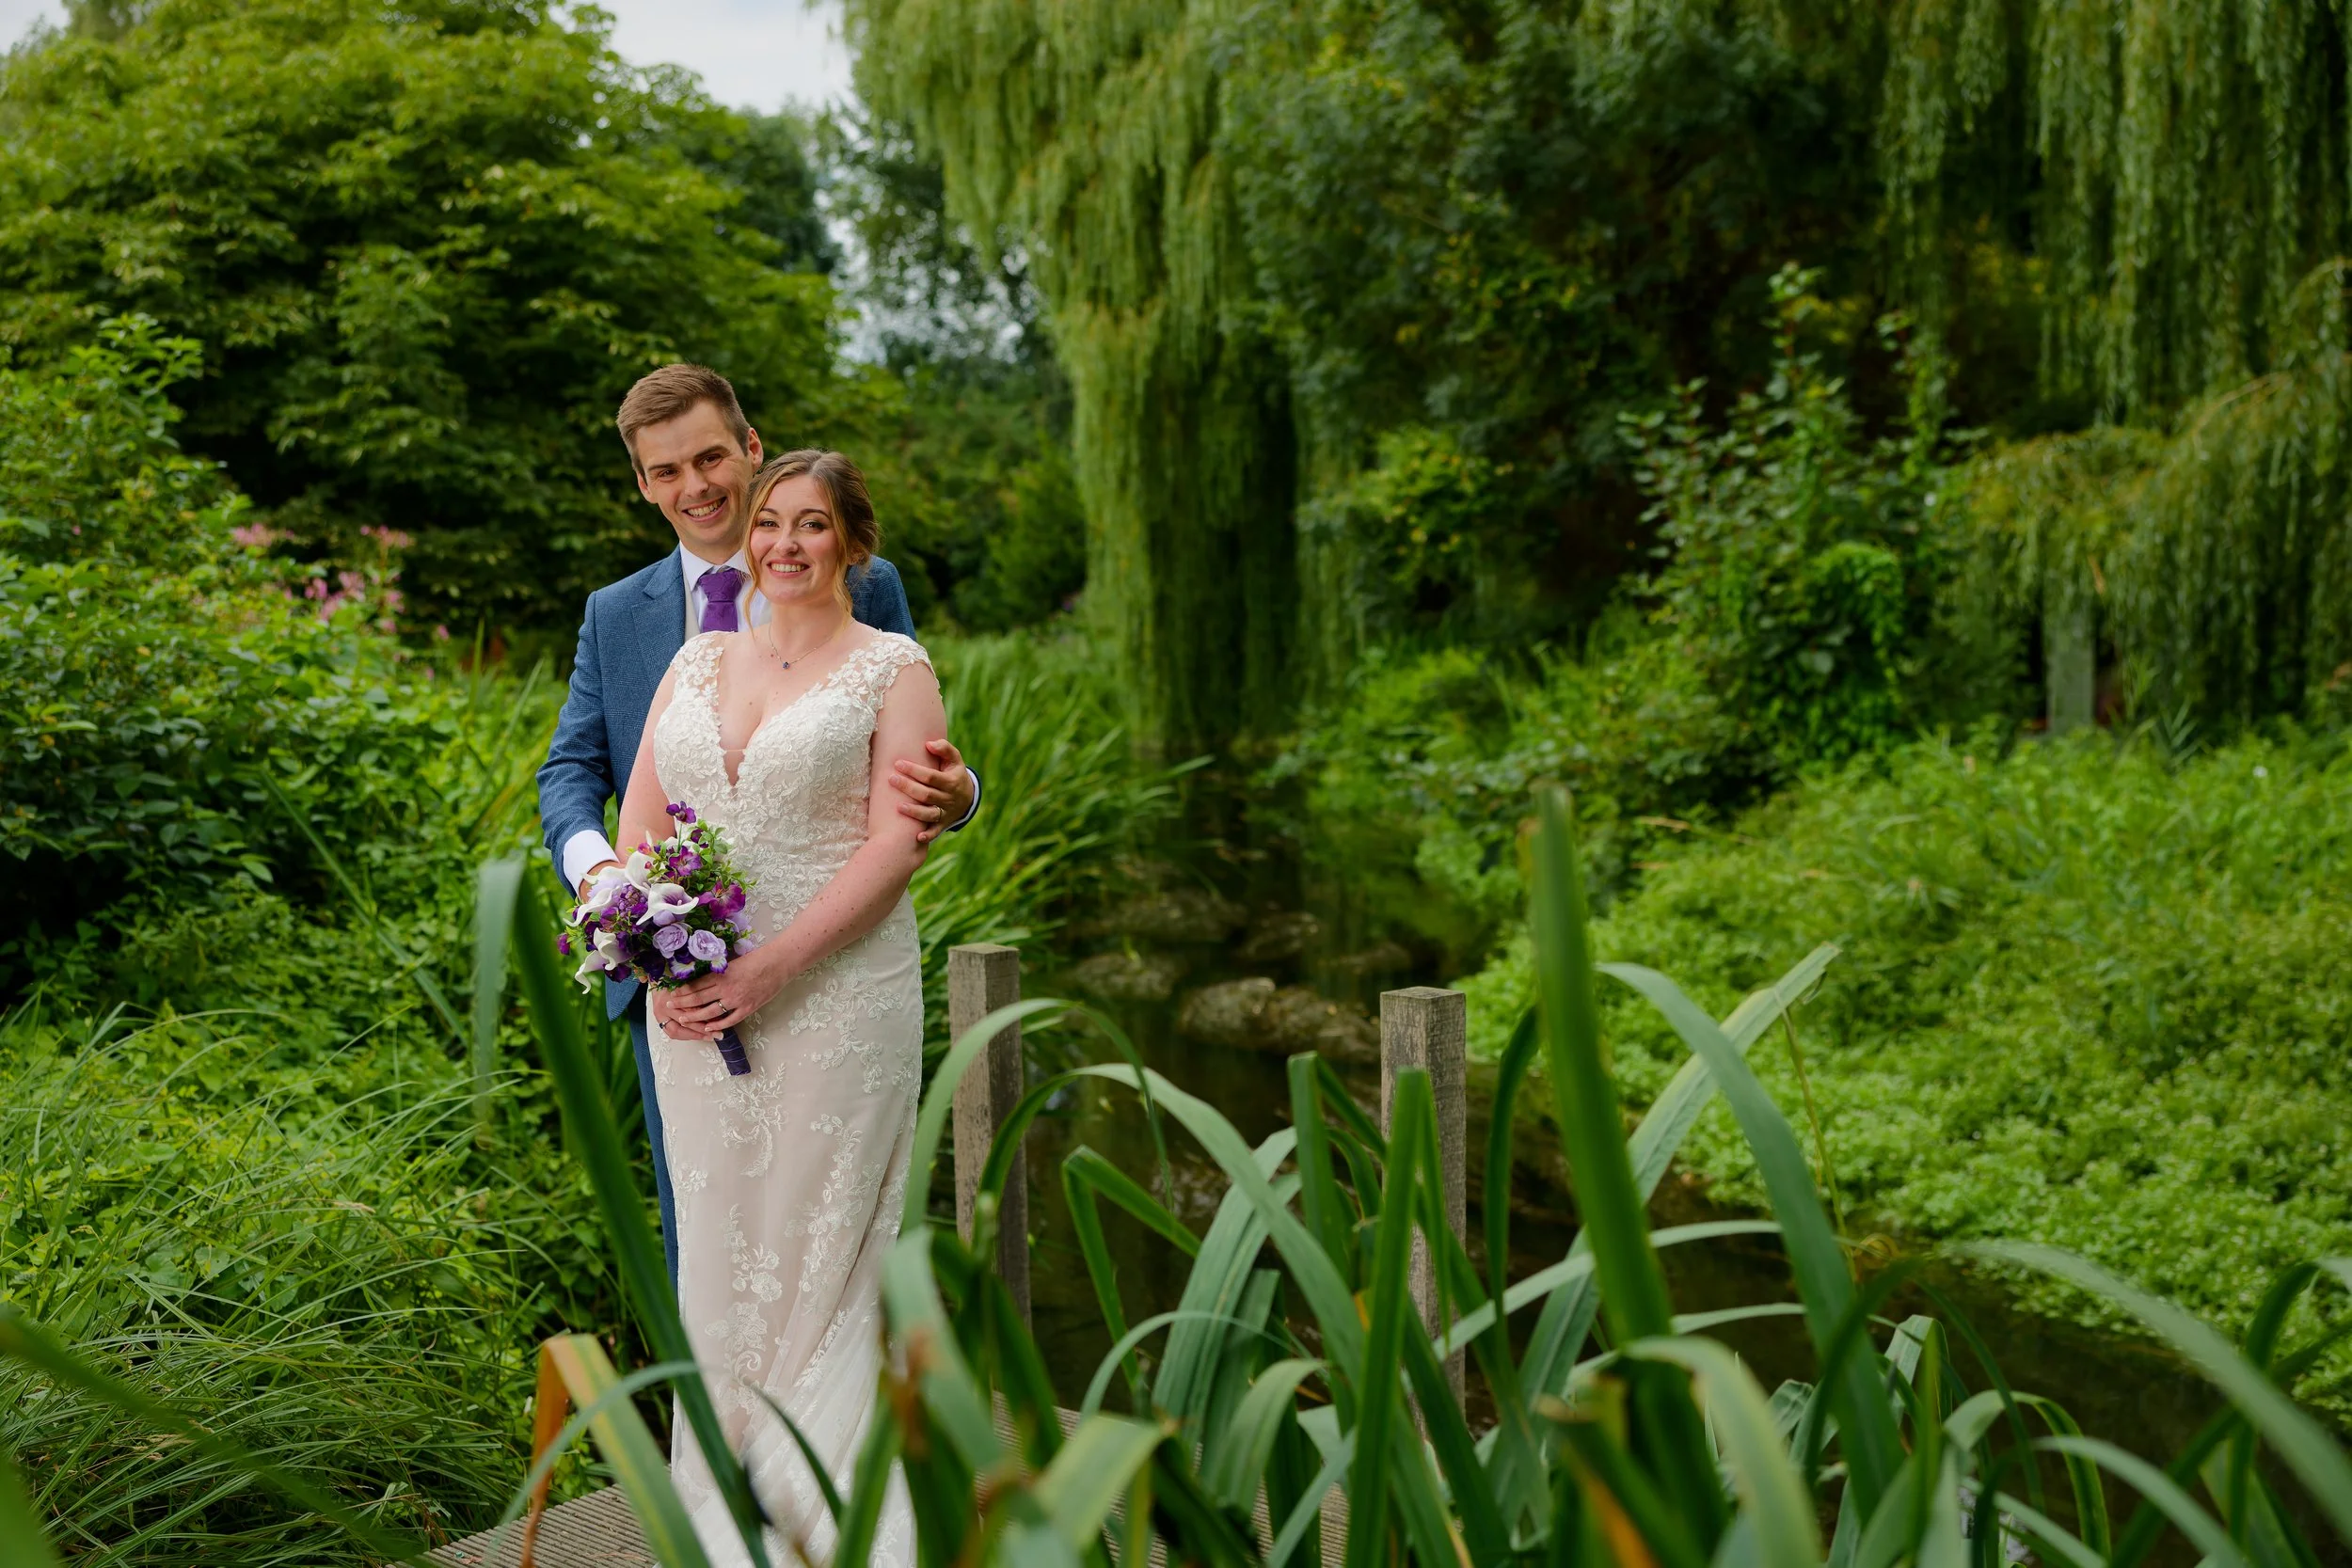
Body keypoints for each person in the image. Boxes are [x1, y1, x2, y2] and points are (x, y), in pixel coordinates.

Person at [537, 365, 977, 1289]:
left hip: (831, 975)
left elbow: (915, 749)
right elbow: (571, 771)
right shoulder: (617, 617)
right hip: (678, 984)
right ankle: (709, 1426)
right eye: (665, 472)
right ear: (643, 485)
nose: (693, 487)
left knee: (828, 1245)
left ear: (750, 449)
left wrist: (961, 792)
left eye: (708, 457)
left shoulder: (863, 578)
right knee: (706, 1242)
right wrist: (612, 888)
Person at [616, 449, 928, 1562]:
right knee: (721, 1239)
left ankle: (842, 1511)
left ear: (851, 542)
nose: (784, 544)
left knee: (823, 1246)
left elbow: (900, 838)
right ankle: (725, 1497)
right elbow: (641, 822)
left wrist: (770, 966)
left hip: (841, 992)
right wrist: (659, 949)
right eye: (769, 524)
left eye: (810, 525)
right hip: (696, 1010)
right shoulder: (694, 663)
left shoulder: (891, 666)